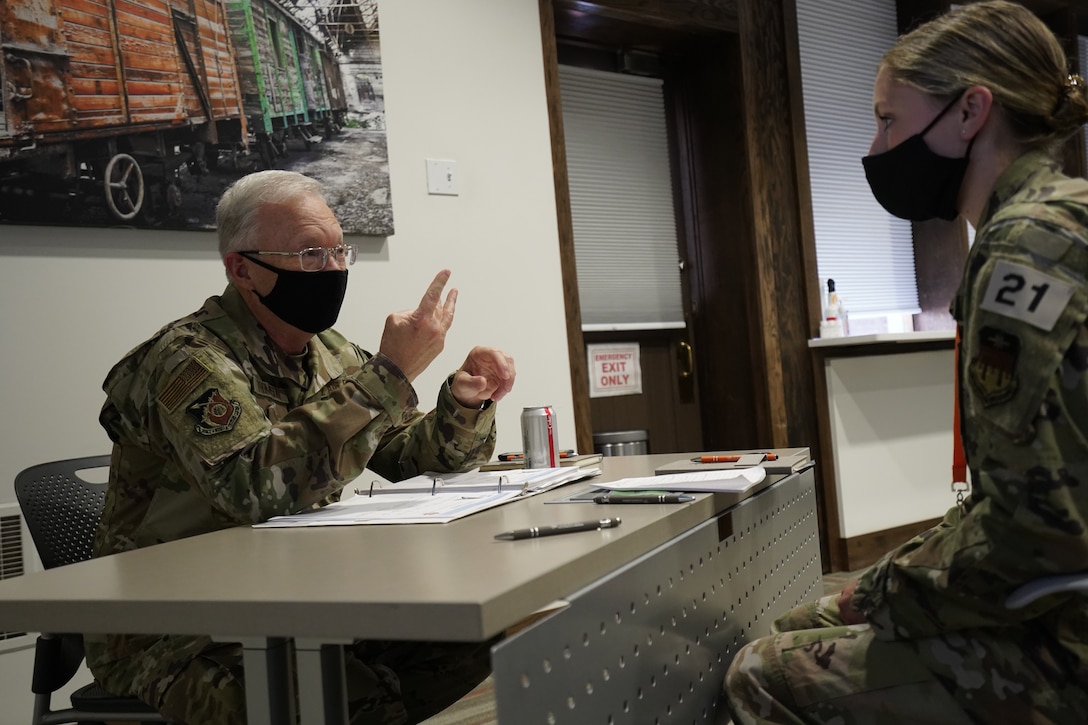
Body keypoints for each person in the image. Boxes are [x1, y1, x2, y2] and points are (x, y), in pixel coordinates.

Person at [725, 2, 1088, 722]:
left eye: (889, 119)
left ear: (970, 111)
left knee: (762, 670)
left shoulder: (1024, 249)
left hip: (1066, 639)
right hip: (1057, 595)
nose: (877, 142)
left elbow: (1036, 531)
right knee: (811, 621)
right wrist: (884, 582)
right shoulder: (1059, 216)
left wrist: (880, 593)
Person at [85, 169, 516, 725]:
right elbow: (252, 488)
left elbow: (408, 458)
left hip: (296, 596)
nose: (333, 269)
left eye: (340, 253)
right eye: (312, 255)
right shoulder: (187, 360)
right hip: (175, 627)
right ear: (243, 269)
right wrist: (391, 372)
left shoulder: (329, 351)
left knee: (467, 638)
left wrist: (464, 402)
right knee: (341, 698)